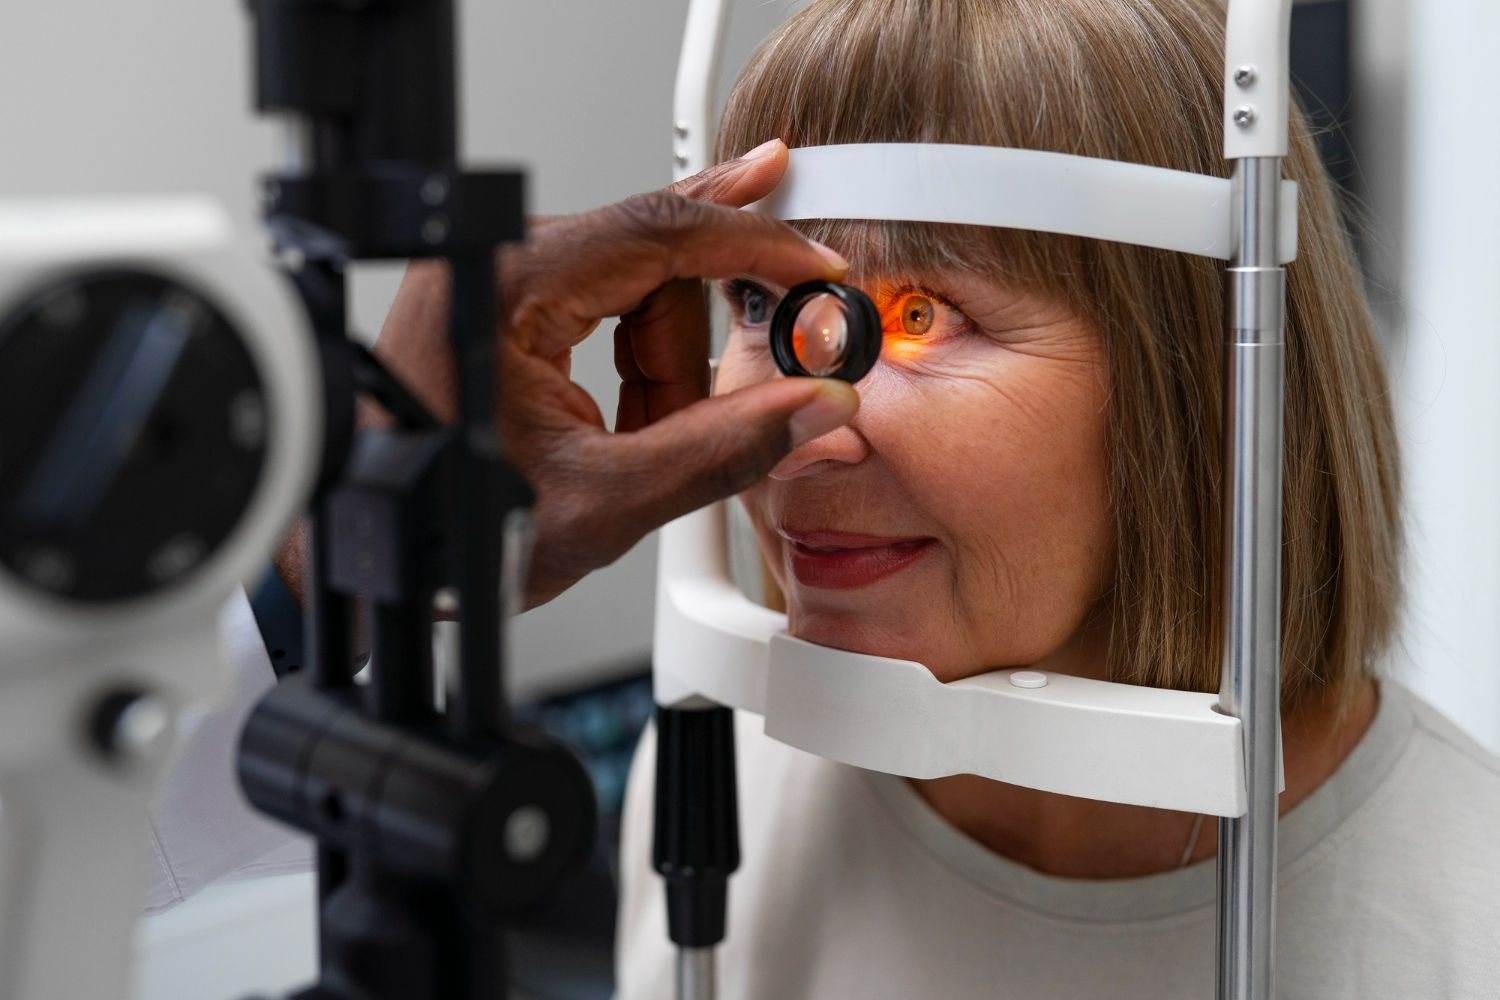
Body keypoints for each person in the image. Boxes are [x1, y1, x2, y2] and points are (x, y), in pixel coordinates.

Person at [612, 0, 1500, 997]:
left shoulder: (1468, 924)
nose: (784, 440)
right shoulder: (717, 770)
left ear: (1195, 385)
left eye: (919, 313)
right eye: (762, 303)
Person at [143, 140, 864, 910]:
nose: (808, 447)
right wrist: (342, 553)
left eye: (922, 316)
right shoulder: (708, 795)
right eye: (761, 304)